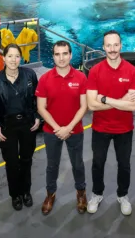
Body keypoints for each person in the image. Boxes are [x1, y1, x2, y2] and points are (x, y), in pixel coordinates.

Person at [86, 30, 135, 216]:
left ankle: (123, 195)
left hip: (124, 129)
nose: (112, 49)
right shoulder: (95, 71)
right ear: (103, 47)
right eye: (108, 45)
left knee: (124, 164)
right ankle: (97, 193)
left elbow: (133, 107)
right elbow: (91, 105)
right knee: (98, 163)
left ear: (121, 45)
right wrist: (121, 101)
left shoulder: (131, 71)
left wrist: (105, 99)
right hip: (100, 128)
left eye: (115, 45)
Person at [36, 40, 88, 215]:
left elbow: (84, 106)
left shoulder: (81, 78)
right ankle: (50, 194)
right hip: (52, 132)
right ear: (53, 57)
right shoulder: (45, 79)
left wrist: (69, 127)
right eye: (57, 54)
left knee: (78, 164)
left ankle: (81, 192)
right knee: (52, 165)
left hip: (75, 131)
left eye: (65, 53)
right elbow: (41, 108)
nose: (61, 58)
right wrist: (58, 128)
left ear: (71, 55)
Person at [0, 44, 40, 211]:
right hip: (7, 126)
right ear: (3, 57)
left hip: (27, 125)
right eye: (10, 56)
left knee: (26, 160)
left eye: (17, 56)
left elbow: (37, 99)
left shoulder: (30, 75)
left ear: (21, 58)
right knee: (11, 162)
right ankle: (15, 194)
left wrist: (38, 117)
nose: (13, 60)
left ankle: (26, 191)